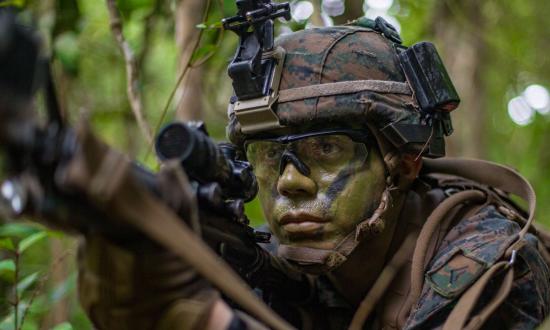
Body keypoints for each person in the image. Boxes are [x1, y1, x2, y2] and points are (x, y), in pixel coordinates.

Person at [76, 18, 550, 330]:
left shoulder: (490, 261)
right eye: (267, 156)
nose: (289, 182)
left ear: (404, 162)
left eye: (326, 149)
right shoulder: (283, 264)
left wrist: (211, 321)